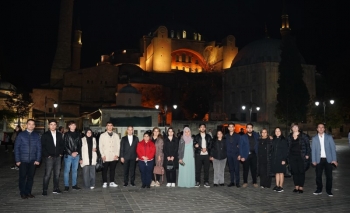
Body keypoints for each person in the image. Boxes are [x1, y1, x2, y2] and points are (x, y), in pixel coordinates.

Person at [14, 119, 41, 199]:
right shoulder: (21, 135)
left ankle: (28, 192)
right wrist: (17, 160)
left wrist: (38, 159)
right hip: (23, 160)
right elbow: (16, 148)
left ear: (34, 126)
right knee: (22, 177)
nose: (31, 125)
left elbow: (39, 149)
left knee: (30, 177)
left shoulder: (36, 135)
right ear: (26, 125)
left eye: (33, 124)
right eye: (29, 124)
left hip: (33, 160)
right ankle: (22, 193)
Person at [312, 123, 338, 197]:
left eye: (322, 127)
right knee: (318, 176)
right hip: (318, 159)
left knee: (329, 176)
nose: (320, 128)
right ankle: (319, 189)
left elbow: (333, 149)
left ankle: (329, 190)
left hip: (328, 160)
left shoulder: (329, 137)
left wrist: (334, 159)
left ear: (324, 129)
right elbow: (313, 150)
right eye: (319, 127)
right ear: (317, 129)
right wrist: (313, 160)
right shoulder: (314, 138)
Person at [41, 119, 64, 196]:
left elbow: (62, 145)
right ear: (48, 126)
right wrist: (47, 155)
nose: (53, 126)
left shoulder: (59, 134)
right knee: (47, 174)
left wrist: (61, 153)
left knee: (57, 174)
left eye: (54, 124)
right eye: (51, 124)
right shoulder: (45, 135)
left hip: (58, 157)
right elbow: (43, 146)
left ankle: (56, 188)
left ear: (56, 126)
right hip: (49, 157)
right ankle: (45, 189)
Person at [287, 123, 311, 193]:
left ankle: (301, 187)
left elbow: (308, 146)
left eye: (296, 127)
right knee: (295, 171)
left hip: (301, 156)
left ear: (298, 128)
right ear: (291, 128)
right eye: (293, 127)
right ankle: (296, 186)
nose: (294, 128)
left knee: (301, 171)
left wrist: (307, 154)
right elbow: (288, 147)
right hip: (292, 156)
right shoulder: (289, 137)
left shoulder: (303, 136)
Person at [99, 122, 121, 188]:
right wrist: (102, 155)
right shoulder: (102, 135)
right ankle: (105, 182)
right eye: (108, 125)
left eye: (111, 125)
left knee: (112, 169)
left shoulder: (116, 135)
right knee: (104, 170)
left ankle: (112, 182)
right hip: (106, 155)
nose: (109, 127)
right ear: (106, 127)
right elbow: (100, 146)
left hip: (114, 155)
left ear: (113, 126)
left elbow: (118, 146)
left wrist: (117, 154)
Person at [63, 121, 82, 192]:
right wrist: (71, 153)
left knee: (75, 171)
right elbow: (64, 145)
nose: (73, 126)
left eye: (74, 125)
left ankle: (74, 185)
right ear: (69, 126)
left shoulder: (78, 134)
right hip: (68, 155)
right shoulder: (66, 134)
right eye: (71, 125)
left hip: (76, 155)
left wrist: (76, 152)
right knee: (67, 171)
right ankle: (66, 186)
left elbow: (80, 145)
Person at [239, 123, 259, 188]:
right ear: (246, 129)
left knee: (254, 169)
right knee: (245, 170)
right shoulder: (243, 137)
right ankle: (245, 182)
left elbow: (263, 137)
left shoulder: (256, 136)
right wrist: (242, 156)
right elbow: (241, 147)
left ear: (252, 129)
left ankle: (254, 182)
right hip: (246, 155)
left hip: (254, 155)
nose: (249, 129)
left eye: (251, 127)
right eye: (248, 127)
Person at [193, 123, 212, 188]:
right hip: (199, 154)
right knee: (198, 169)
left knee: (206, 169)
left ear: (205, 128)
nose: (202, 128)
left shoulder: (208, 136)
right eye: (201, 127)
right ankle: (197, 181)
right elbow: (195, 144)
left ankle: (206, 181)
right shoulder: (196, 136)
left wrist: (206, 149)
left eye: (204, 127)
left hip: (206, 155)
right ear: (199, 129)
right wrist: (201, 148)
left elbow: (210, 145)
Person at [270, 127, 288, 192]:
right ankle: (277, 185)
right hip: (275, 159)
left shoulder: (283, 140)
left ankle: (281, 186)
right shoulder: (274, 140)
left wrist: (284, 159)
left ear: (281, 132)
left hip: (281, 159)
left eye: (278, 131)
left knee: (281, 173)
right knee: (276, 172)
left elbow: (285, 150)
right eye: (276, 131)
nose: (277, 132)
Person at [225, 123, 241, 188]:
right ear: (228, 128)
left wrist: (240, 154)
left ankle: (237, 182)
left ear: (234, 128)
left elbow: (240, 146)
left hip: (236, 154)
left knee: (236, 169)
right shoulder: (226, 136)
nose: (231, 128)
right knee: (231, 169)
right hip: (229, 154)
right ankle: (232, 182)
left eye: (232, 127)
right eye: (230, 127)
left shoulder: (238, 136)